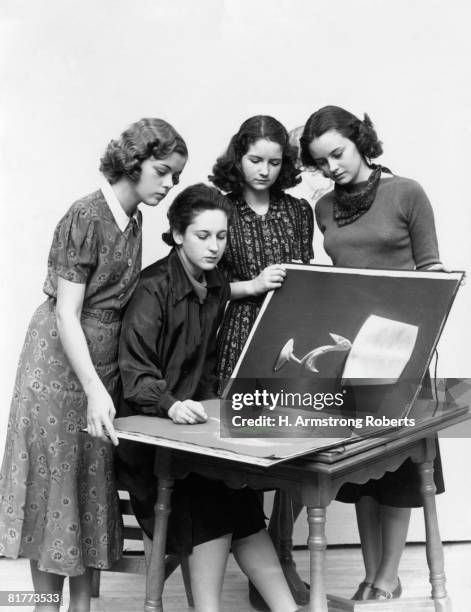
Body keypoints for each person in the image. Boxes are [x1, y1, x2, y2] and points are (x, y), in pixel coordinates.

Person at [0, 118, 187, 612]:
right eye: (162, 172)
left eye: (175, 177)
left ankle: (81, 608)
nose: (168, 185)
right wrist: (94, 388)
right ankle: (44, 608)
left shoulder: (136, 219)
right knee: (54, 480)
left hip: (101, 363)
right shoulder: (85, 214)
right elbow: (66, 312)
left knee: (87, 483)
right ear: (133, 161)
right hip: (60, 363)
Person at [117, 183, 298, 612]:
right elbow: (135, 377)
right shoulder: (152, 288)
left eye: (221, 236)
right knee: (212, 500)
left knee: (241, 499)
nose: (215, 247)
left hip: (191, 434)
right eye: (203, 236)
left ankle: (288, 610)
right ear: (178, 234)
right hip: (147, 442)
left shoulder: (213, 282)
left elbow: (207, 357)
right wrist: (171, 404)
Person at [300, 105, 445, 601]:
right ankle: (369, 572)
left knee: (401, 466)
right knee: (360, 469)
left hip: (405, 347)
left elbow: (432, 273)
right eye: (321, 162)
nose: (332, 167)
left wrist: (416, 344)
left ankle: (388, 575)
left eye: (337, 153)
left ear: (361, 140)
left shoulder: (407, 192)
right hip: (353, 352)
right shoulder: (324, 209)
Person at [209, 115, 314, 608]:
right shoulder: (220, 209)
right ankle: (261, 561)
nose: (265, 170)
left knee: (296, 449)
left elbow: (310, 274)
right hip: (239, 338)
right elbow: (201, 283)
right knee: (244, 453)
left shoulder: (297, 212)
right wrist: (249, 286)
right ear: (238, 157)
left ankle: (280, 558)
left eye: (275, 162)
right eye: (255, 160)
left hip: (291, 339)